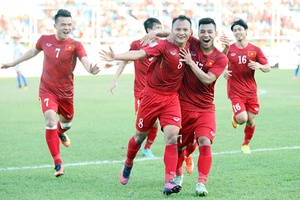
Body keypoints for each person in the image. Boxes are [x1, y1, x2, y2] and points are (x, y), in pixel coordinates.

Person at [100, 15, 192, 196]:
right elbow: (138, 54)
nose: (181, 33)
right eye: (178, 29)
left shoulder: (191, 45)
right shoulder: (163, 46)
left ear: (190, 32)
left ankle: (169, 181)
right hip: (150, 97)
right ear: (172, 32)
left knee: (173, 136)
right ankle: (128, 162)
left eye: (185, 30)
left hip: (171, 99)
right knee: (139, 137)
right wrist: (115, 56)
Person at [1, 9, 100, 177]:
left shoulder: (76, 45)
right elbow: (32, 52)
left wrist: (91, 69)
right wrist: (12, 63)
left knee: (67, 124)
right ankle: (58, 163)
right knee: (49, 120)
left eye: (69, 24)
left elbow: (85, 60)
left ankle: (60, 132)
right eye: (63, 24)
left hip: (66, 94)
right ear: (55, 25)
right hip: (47, 90)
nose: (67, 27)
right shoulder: (44, 40)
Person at [108, 18, 163, 158]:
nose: (161, 30)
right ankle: (138, 144)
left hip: (158, 91)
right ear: (149, 30)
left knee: (156, 122)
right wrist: (115, 79)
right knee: (144, 122)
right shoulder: (137, 44)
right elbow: (125, 60)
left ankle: (147, 148)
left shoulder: (162, 45)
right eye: (157, 27)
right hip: (141, 92)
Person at [221, 19, 270, 154]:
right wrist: (224, 70)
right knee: (242, 118)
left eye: (239, 29)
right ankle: (235, 117)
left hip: (251, 91)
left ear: (246, 31)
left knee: (250, 120)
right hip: (235, 90)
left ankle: (245, 144)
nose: (237, 32)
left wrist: (259, 66)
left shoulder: (255, 50)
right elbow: (216, 62)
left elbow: (267, 68)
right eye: (234, 30)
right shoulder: (229, 49)